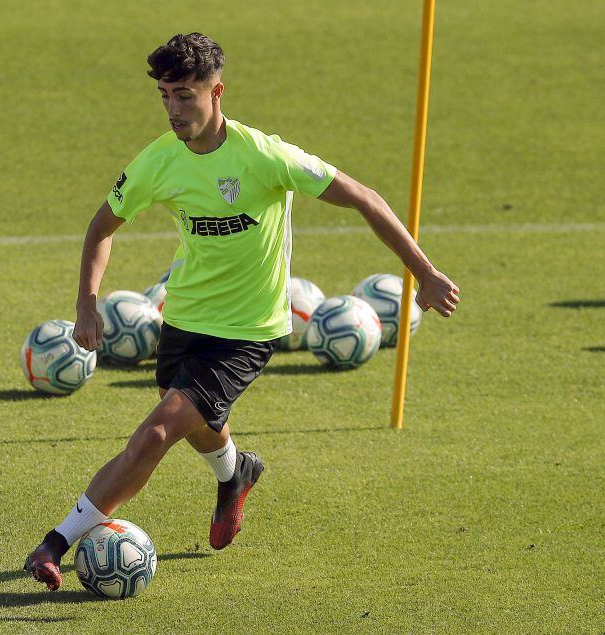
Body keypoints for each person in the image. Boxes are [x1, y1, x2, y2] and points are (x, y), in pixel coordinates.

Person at [24, 32, 461, 590]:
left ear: (217, 92)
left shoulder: (264, 156)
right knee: (198, 424)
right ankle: (236, 475)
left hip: (247, 331)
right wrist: (86, 303)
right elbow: (101, 226)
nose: (174, 110)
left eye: (184, 96)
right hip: (183, 319)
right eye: (164, 97)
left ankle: (54, 543)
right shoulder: (158, 161)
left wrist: (423, 272)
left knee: (157, 434)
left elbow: (363, 198)